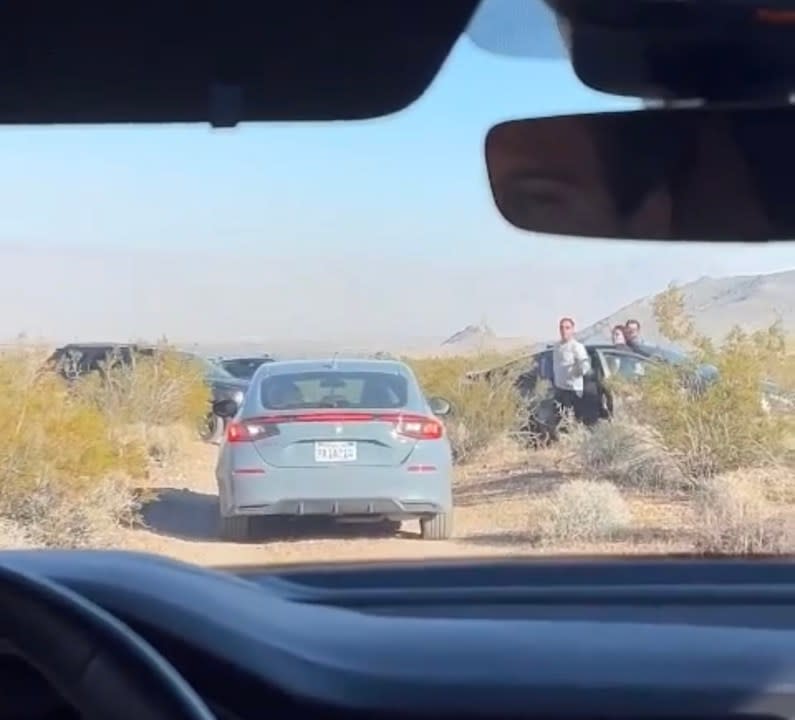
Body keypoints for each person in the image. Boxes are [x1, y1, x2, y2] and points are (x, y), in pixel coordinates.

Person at [552, 316, 591, 423]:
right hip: (559, 387)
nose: (564, 330)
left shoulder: (576, 346)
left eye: (567, 328)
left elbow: (585, 365)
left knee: (570, 420)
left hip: (572, 390)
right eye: (562, 328)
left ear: (573, 329)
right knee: (559, 418)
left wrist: (576, 373)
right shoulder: (557, 346)